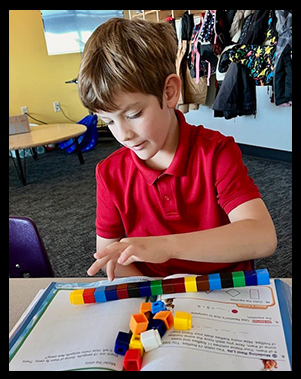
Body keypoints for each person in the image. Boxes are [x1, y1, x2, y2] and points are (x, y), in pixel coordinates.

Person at [77, 17, 277, 281]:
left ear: (170, 92)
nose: (123, 134)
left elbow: (262, 237)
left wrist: (166, 246)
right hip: (155, 293)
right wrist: (155, 293)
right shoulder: (110, 173)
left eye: (134, 114)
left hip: (225, 289)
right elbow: (109, 256)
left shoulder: (216, 152)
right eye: (108, 121)